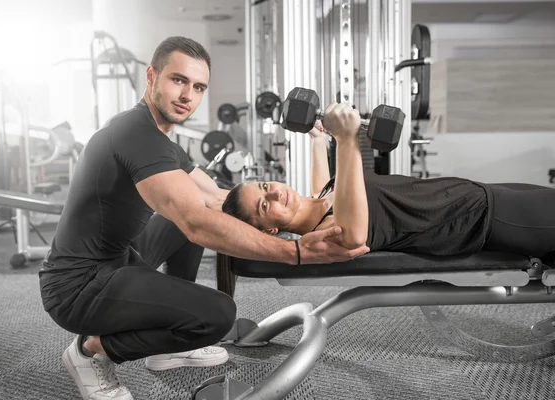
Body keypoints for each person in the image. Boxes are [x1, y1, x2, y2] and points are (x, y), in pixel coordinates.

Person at [38, 37, 367, 400]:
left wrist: (289, 209)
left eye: (198, 87)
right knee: (218, 315)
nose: (187, 95)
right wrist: (296, 253)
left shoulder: (160, 140)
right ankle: (90, 351)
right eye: (178, 80)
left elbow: (217, 199)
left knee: (194, 214)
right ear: (152, 77)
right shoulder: (137, 135)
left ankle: (169, 346)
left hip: (116, 259)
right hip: (77, 288)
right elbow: (196, 223)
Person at [222, 103, 555, 259]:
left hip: (481, 193)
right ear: (269, 231)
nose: (277, 194)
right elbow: (354, 237)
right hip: (482, 220)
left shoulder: (323, 198)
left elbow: (319, 187)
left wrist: (317, 140)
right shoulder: (327, 232)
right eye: (265, 206)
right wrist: (348, 139)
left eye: (266, 186)